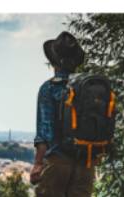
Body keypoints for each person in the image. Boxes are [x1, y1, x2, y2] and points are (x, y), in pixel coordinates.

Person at [30, 31, 95, 197]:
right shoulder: (88, 88)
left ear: (54, 62)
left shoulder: (49, 88)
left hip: (57, 162)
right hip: (85, 164)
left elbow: (45, 132)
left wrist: (38, 163)